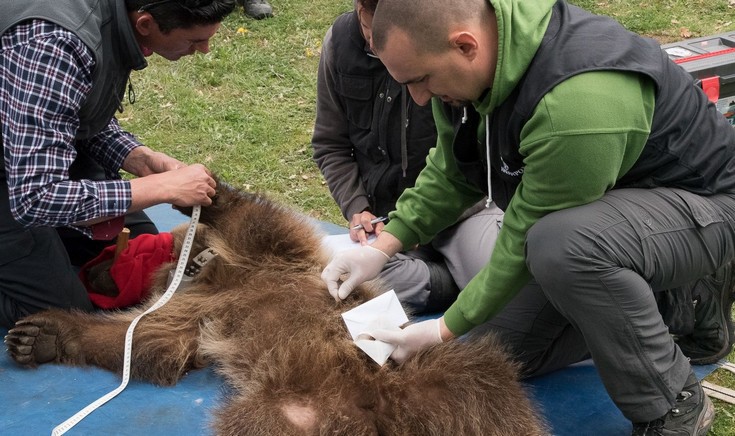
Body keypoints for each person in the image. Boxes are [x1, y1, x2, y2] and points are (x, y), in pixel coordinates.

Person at [321, 0, 735, 434]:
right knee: (490, 352)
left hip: (707, 210)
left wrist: (441, 328)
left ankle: (672, 403)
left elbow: (522, 239)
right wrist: (384, 247)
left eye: (421, 79)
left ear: (466, 45)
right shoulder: (463, 73)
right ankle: (679, 303)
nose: (418, 97)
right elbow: (451, 172)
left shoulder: (576, 105)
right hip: (612, 217)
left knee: (562, 246)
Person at [0, 0, 236, 329]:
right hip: (25, 182)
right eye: (194, 41)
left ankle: (49, 244)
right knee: (62, 309)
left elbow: (73, 112)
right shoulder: (53, 45)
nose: (205, 50)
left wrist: (138, 157)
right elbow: (36, 197)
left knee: (140, 263)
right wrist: (160, 187)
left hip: (26, 157)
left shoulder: (110, 16)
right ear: (145, 24)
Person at [312, 0, 504, 314]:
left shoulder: (461, 51)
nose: (378, 48)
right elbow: (330, 144)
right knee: (331, 281)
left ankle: (443, 278)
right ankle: (442, 281)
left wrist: (416, 223)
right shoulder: (339, 43)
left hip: (463, 215)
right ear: (360, 8)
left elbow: (467, 173)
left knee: (504, 292)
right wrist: (357, 207)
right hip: (386, 224)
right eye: (372, 35)